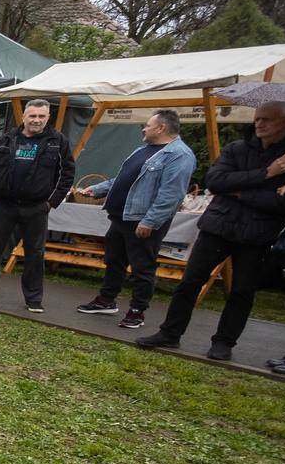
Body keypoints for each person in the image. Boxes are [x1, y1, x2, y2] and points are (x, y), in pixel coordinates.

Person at [138, 101, 285, 361]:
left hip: (257, 234)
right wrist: (266, 174)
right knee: (190, 282)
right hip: (217, 227)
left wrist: (239, 191)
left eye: (267, 119)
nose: (259, 124)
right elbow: (215, 182)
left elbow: (282, 203)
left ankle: (223, 342)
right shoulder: (238, 149)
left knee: (242, 291)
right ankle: (170, 333)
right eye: (257, 118)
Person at [73, 110, 195, 329]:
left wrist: (150, 221)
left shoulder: (179, 155)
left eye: (148, 125)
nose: (144, 129)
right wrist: (98, 189)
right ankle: (106, 300)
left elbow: (171, 194)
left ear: (161, 128)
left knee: (142, 268)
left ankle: (137, 312)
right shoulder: (143, 149)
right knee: (114, 260)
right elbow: (123, 179)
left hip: (142, 221)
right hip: (121, 218)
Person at [0, 98, 76, 312]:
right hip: (3, 205)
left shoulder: (57, 141)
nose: (37, 120)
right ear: (23, 116)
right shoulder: (7, 139)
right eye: (32, 115)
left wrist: (52, 202)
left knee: (35, 254)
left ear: (48, 118)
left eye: (41, 116)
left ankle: (34, 300)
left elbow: (67, 173)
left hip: (36, 208)